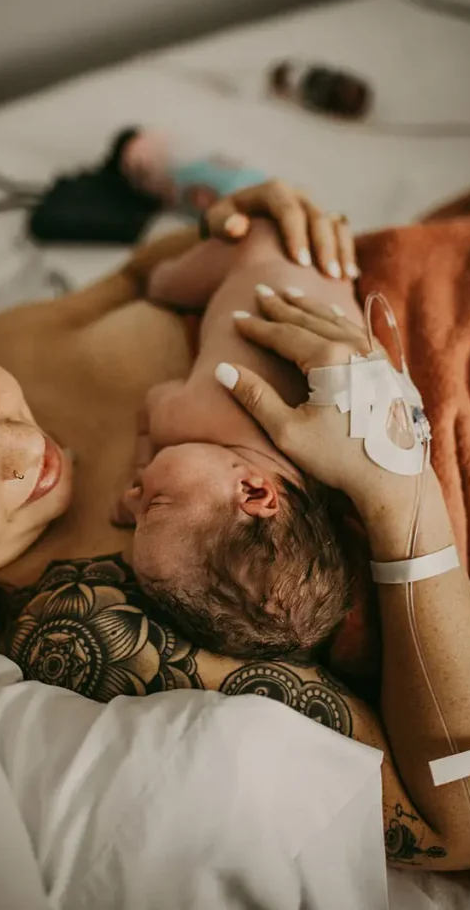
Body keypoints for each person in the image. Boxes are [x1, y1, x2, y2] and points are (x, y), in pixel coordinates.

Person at [0, 180, 470, 874]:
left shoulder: (10, 341)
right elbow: (465, 825)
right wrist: (399, 494)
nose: (21, 447)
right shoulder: (93, 622)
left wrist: (245, 228)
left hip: (456, 277)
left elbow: (146, 273)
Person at [112, 216, 357, 658]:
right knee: (159, 284)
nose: (131, 497)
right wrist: (141, 460)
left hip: (331, 262)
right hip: (254, 245)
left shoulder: (338, 472)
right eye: (154, 503)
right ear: (252, 489)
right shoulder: (188, 416)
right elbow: (153, 399)